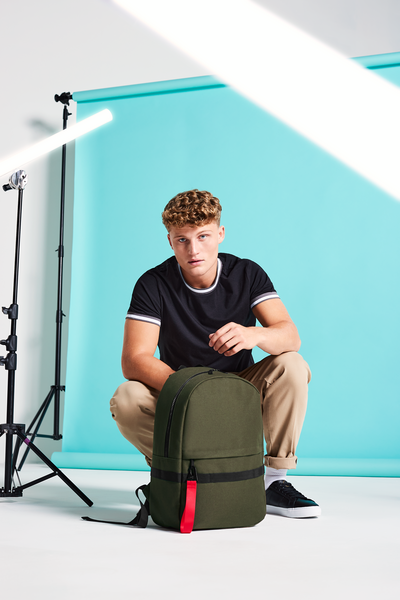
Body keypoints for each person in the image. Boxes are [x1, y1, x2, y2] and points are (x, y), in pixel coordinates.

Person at [110, 189, 320, 518]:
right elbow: (134, 360)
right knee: (127, 397)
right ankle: (180, 471)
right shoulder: (153, 283)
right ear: (170, 241)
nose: (193, 250)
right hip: (183, 393)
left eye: (203, 236)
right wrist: (194, 392)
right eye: (182, 240)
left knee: (291, 364)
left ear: (220, 234)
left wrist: (254, 334)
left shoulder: (246, 273)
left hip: (239, 390)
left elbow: (291, 337)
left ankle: (273, 481)